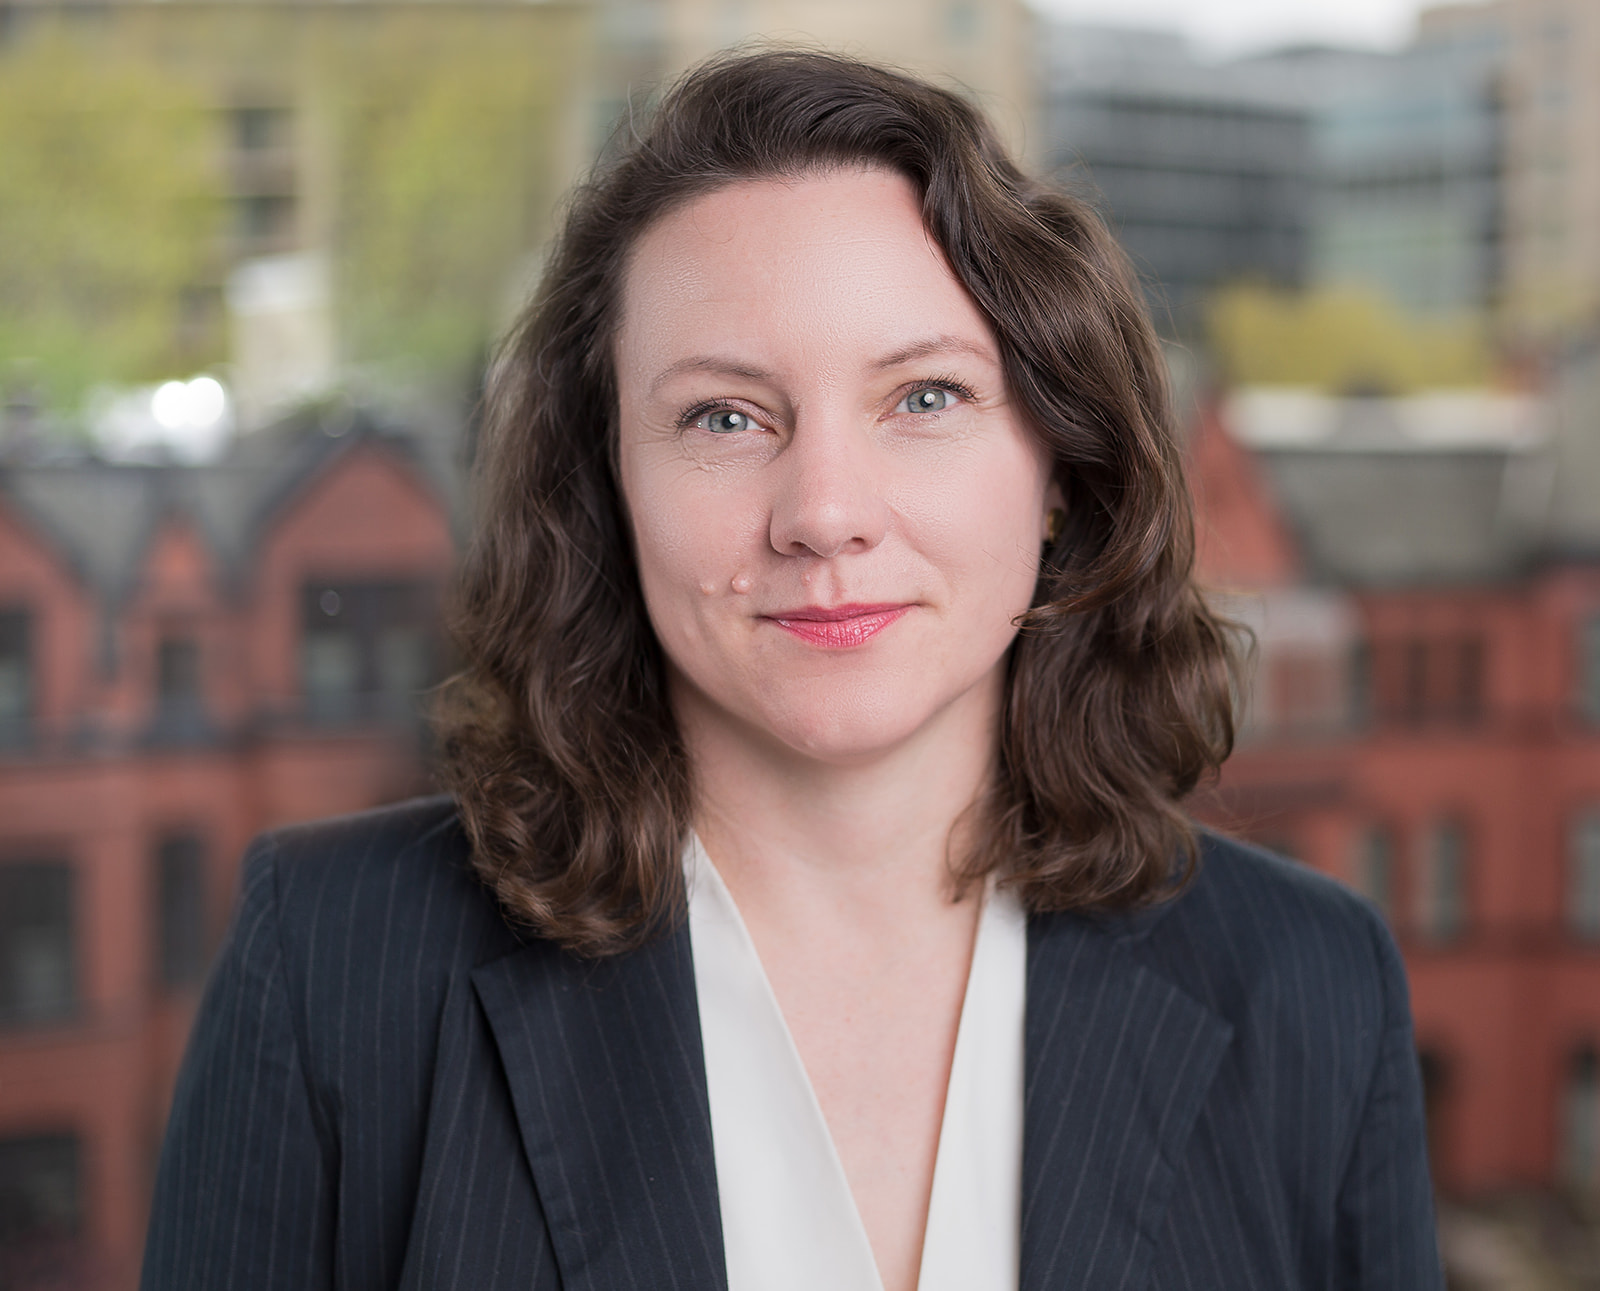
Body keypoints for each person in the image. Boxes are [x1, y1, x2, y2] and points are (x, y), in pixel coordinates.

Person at [140, 50, 1443, 1291]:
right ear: (610, 486)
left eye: (924, 398)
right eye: (723, 417)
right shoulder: (333, 969)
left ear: (1059, 467)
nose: (824, 512)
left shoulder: (1307, 984)